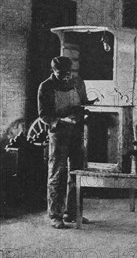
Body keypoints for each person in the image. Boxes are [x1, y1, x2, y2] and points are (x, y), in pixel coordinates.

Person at [38, 56, 95, 229]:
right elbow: (43, 115)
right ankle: (55, 215)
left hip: (77, 132)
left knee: (77, 173)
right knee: (57, 173)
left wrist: (89, 106)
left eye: (68, 73)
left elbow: (83, 103)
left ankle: (73, 212)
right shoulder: (46, 87)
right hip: (59, 134)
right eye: (61, 73)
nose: (65, 77)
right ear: (53, 71)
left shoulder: (78, 82)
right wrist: (61, 121)